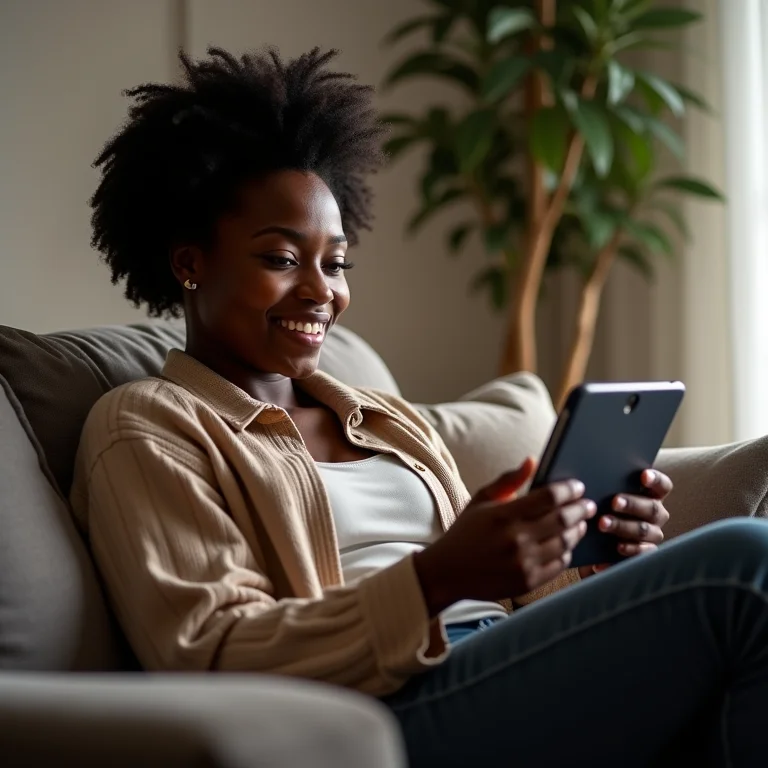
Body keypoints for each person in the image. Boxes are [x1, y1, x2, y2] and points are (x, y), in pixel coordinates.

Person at [71, 47, 768, 767]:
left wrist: (593, 556)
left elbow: (504, 597)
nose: (322, 291)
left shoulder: (384, 419)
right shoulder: (149, 426)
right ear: (190, 263)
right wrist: (438, 577)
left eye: (336, 262)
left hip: (499, 665)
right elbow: (212, 651)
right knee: (745, 566)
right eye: (282, 259)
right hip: (381, 710)